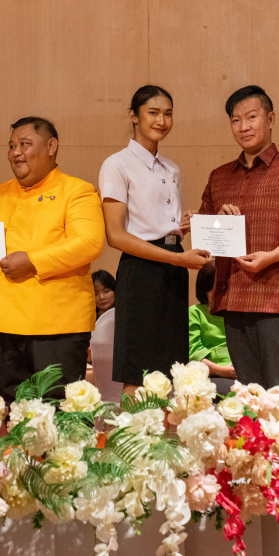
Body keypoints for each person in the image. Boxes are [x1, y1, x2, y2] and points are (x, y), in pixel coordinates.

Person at [197, 85, 279, 397]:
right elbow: (206, 236)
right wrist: (216, 222)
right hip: (232, 297)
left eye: (251, 117)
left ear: (270, 119)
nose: (243, 126)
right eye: (235, 120)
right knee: (248, 395)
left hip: (278, 298)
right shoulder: (219, 176)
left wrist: (270, 257)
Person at [0, 117, 104, 403]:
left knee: (59, 408)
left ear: (51, 146)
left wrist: (32, 260)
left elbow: (89, 243)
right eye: (11, 146)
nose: (16, 152)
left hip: (56, 324)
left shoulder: (77, 190)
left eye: (25, 144)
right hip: (2, 320)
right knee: (13, 407)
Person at [98, 85, 211, 392]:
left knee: (171, 369)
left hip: (174, 269)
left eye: (168, 114)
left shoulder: (171, 169)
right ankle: (135, 427)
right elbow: (116, 236)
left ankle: (165, 426)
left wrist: (181, 226)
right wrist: (178, 258)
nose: (161, 120)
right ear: (134, 116)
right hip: (141, 271)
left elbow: (157, 225)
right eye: (153, 112)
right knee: (139, 371)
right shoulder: (117, 164)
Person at [188, 262, 236, 379]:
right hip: (210, 374)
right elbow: (193, 353)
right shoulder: (195, 313)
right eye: (218, 290)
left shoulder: (238, 314)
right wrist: (221, 371)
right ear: (205, 288)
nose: (224, 294)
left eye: (227, 288)